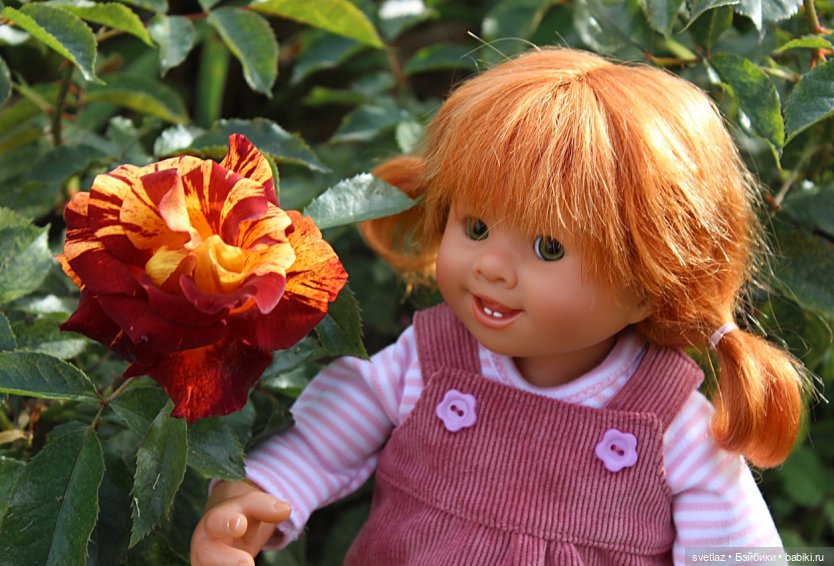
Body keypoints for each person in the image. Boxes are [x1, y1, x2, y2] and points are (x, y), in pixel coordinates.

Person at [190, 47, 808, 566]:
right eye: (477, 227)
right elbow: (323, 440)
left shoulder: (670, 427)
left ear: (652, 281)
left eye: (548, 247)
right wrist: (252, 499)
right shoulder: (429, 361)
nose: (489, 266)